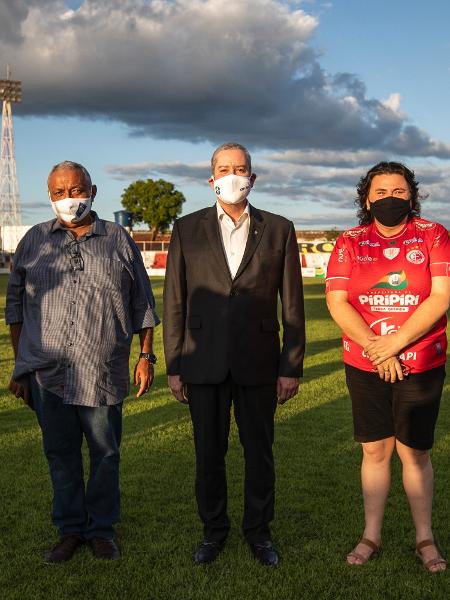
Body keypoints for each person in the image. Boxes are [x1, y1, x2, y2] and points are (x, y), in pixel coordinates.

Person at [6, 161, 159, 562]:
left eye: (75, 191)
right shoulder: (33, 241)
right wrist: (21, 367)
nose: (68, 200)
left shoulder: (118, 238)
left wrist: (145, 356)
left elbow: (142, 302)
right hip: (47, 374)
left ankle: (102, 529)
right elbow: (15, 307)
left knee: (105, 454)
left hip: (101, 371)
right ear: (50, 195)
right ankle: (70, 530)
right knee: (60, 456)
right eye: (59, 193)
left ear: (92, 191)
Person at [163, 142, 305, 567]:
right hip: (201, 360)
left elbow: (293, 305)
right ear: (211, 179)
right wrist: (174, 366)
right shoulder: (186, 229)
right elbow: (174, 301)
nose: (232, 175)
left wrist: (291, 366)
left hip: (260, 361)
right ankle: (213, 531)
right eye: (224, 168)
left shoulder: (279, 228)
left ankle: (259, 533)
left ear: (253, 178)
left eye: (240, 168)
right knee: (208, 453)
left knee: (259, 452)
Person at [326, 161, 450, 573]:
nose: (390, 199)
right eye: (380, 193)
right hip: (364, 362)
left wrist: (396, 344)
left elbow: (440, 297)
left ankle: (424, 538)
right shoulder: (350, 241)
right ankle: (371, 535)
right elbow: (337, 302)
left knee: (415, 452)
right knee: (375, 450)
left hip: (421, 361)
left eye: (398, 192)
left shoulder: (433, 236)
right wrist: (379, 351)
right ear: (366, 198)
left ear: (411, 195)